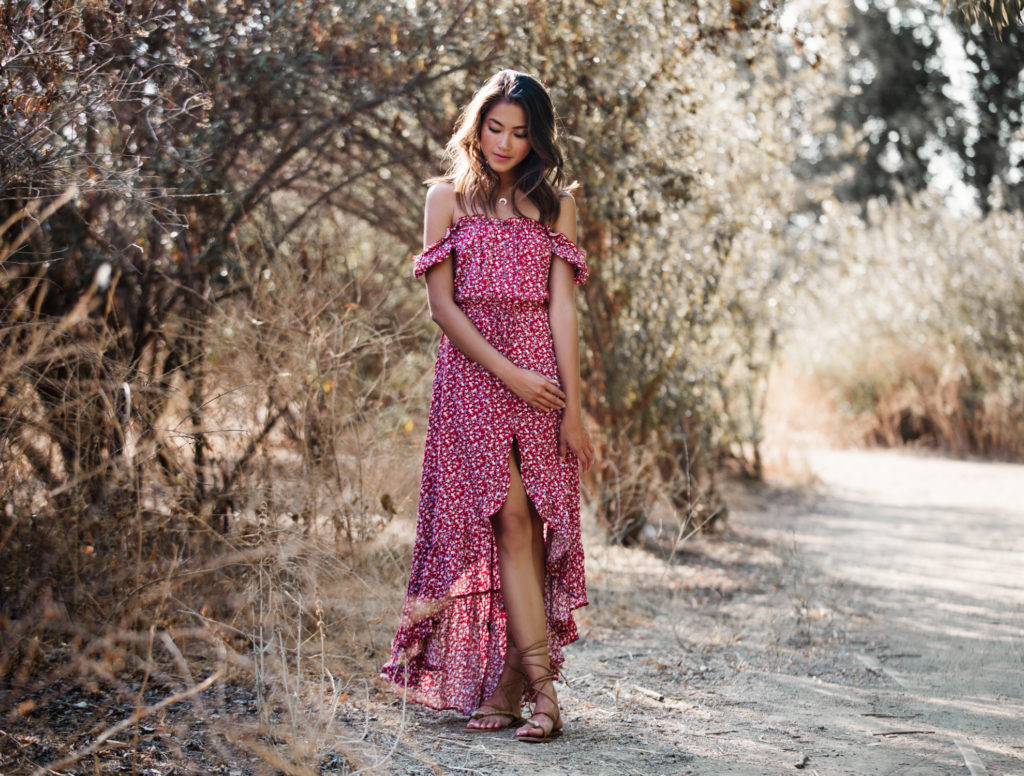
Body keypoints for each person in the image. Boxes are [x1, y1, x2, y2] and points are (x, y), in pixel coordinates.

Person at [380, 68, 594, 744]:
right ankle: (544, 693)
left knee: (528, 524)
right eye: (494, 127)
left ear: (538, 139)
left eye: (520, 132)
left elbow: (562, 306)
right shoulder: (444, 199)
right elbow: (442, 307)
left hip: (542, 376)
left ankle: (510, 686)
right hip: (473, 377)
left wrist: (573, 405)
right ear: (477, 126)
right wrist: (510, 375)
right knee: (503, 513)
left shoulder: (554, 207)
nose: (504, 143)